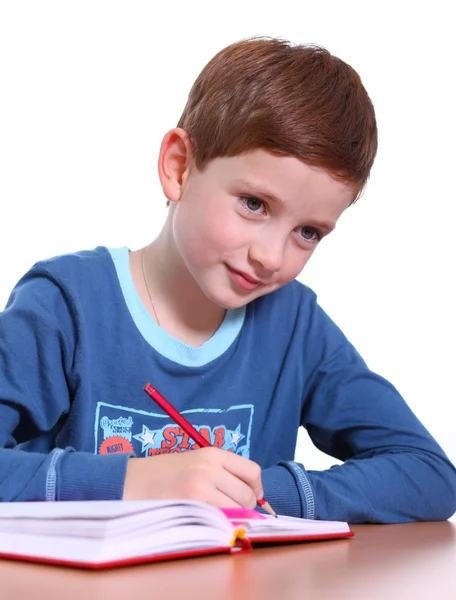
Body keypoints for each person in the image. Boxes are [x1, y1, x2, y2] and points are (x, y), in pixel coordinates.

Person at [1, 37, 455, 523]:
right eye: (254, 204)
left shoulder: (294, 326)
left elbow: (430, 475)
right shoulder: (65, 307)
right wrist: (138, 480)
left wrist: (260, 492)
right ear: (179, 168)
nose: (270, 256)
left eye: (308, 232)